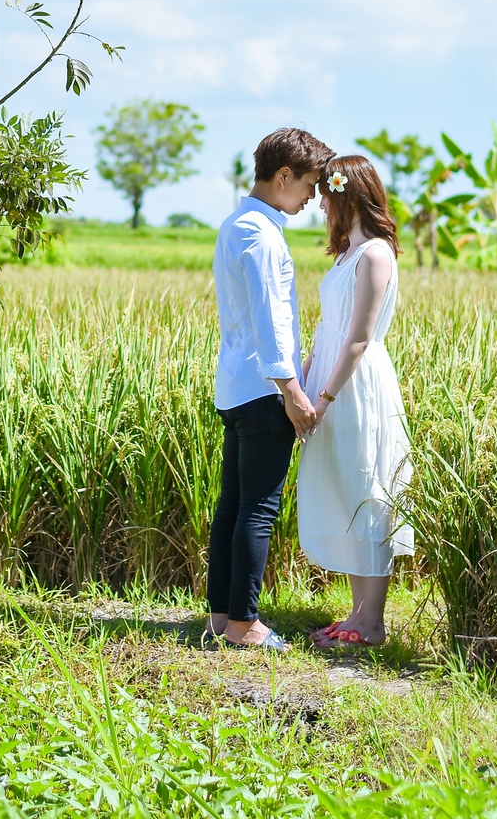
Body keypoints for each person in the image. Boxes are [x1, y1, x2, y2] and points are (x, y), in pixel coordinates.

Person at [206, 127, 335, 649]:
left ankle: (222, 618)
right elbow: (269, 318)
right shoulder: (261, 235)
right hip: (263, 389)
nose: (310, 197)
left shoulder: (237, 223)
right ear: (282, 176)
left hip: (236, 385)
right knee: (256, 508)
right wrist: (291, 388)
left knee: (233, 505)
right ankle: (244, 624)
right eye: (307, 185)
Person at [297, 154, 413, 647]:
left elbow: (360, 337)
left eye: (327, 194)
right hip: (329, 378)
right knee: (346, 486)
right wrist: (304, 376)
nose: (321, 203)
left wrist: (322, 397)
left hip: (355, 384)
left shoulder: (376, 254)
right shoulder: (349, 253)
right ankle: (357, 613)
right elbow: (329, 328)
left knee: (368, 489)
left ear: (347, 194)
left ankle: (371, 623)